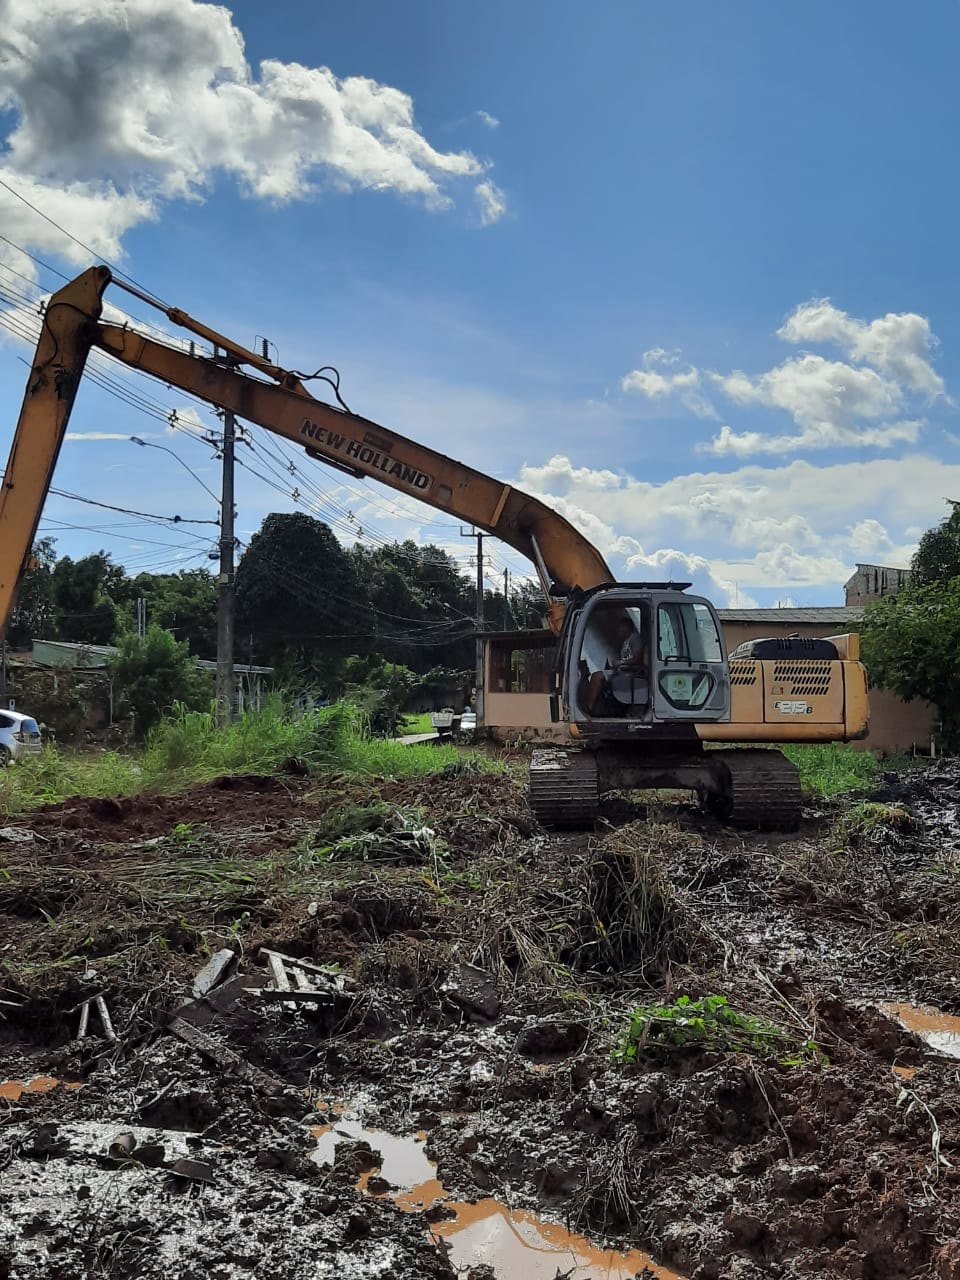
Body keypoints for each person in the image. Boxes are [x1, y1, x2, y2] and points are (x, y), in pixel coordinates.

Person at [584, 615, 646, 714]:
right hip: (623, 670)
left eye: (620, 627)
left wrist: (620, 662)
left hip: (630, 673)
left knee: (596, 676)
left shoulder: (635, 639)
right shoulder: (627, 641)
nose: (618, 630)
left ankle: (588, 709)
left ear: (627, 627)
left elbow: (636, 658)